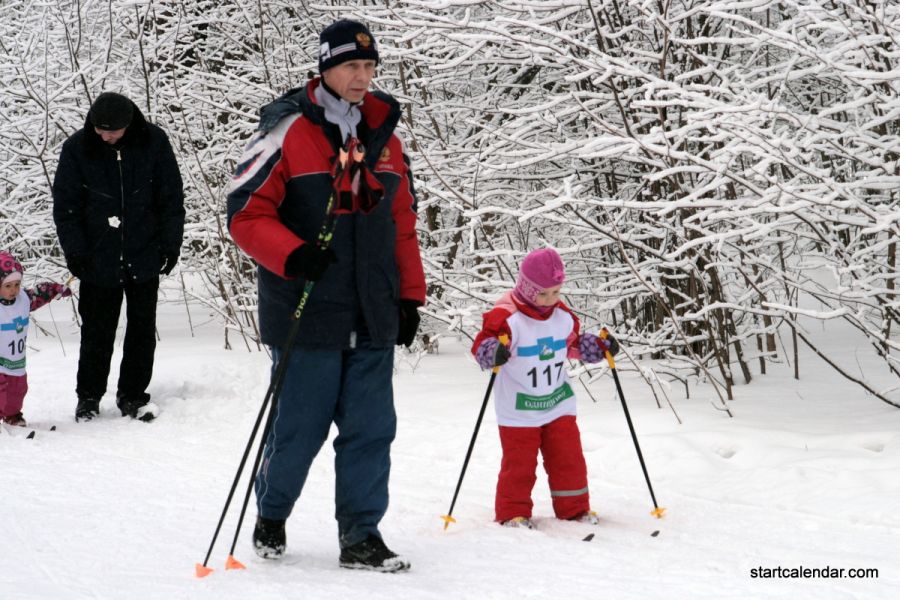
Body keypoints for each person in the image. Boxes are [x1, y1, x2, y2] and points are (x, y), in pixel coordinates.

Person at [226, 19, 426, 572]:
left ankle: (361, 535)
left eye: (369, 67)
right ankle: (272, 511)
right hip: (306, 308)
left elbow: (402, 223)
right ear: (325, 69)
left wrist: (410, 296)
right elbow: (245, 213)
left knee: (371, 429)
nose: (362, 77)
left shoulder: (386, 137)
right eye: (350, 67)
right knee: (299, 427)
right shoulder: (287, 132)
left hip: (373, 309)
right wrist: (292, 254)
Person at [52, 92, 185, 423]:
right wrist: (76, 252)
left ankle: (133, 396)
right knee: (97, 331)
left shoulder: (154, 142)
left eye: (110, 130)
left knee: (142, 329)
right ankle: (89, 398)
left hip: (144, 253)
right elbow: (66, 209)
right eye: (98, 128)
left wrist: (170, 245)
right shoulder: (77, 149)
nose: (103, 136)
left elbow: (171, 198)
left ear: (128, 125)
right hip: (98, 258)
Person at [471, 247, 619, 529]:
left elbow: (571, 345)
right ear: (527, 288)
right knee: (520, 465)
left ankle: (574, 509)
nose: (550, 300)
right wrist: (492, 352)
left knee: (569, 459)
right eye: (543, 293)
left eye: (556, 292)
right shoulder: (507, 318)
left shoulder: (561, 316)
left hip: (557, 402)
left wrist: (597, 348)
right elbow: (480, 345)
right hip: (519, 408)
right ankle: (513, 513)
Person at [0, 251, 71, 427]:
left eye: (17, 284)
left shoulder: (23, 299)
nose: (14, 290)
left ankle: (12, 416)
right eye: (8, 286)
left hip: (16, 361)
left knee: (18, 390)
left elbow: (40, 294)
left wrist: (56, 290)